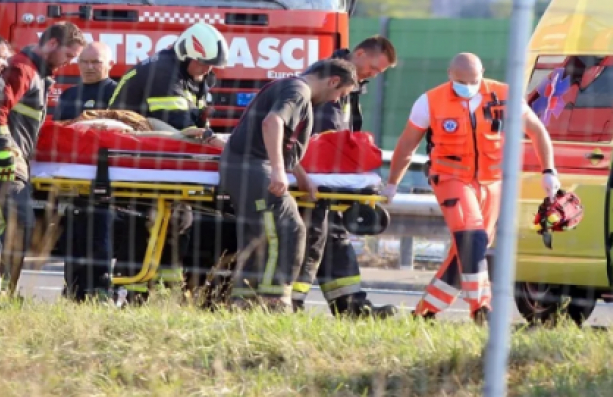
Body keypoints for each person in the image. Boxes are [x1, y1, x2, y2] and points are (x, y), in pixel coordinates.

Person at [385, 53, 560, 324]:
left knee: (466, 253)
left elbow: (537, 131)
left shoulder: (504, 95)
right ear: (449, 75)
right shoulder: (430, 101)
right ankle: (481, 308)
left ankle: (424, 313)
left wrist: (548, 170)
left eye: (474, 80)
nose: (467, 86)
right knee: (472, 239)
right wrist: (393, 183)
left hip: (492, 182)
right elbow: (406, 146)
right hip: (451, 178)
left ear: (483, 73)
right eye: (461, 81)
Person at [219, 58, 358, 311]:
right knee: (288, 229)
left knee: (259, 236)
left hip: (246, 168)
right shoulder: (298, 91)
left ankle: (243, 303)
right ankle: (274, 301)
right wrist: (278, 170)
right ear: (333, 81)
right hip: (253, 169)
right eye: (340, 93)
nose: (336, 99)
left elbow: (283, 140)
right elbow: (272, 123)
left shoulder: (290, 87)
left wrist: (300, 174)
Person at [108, 22, 229, 298]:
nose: (207, 70)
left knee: (179, 219)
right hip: (132, 158)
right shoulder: (163, 72)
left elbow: (194, 123)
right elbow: (178, 127)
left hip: (157, 161)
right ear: (186, 54)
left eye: (211, 65)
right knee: (143, 222)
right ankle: (133, 295)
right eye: (203, 63)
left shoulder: (193, 76)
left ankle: (164, 291)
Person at [292, 35, 399, 318]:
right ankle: (291, 305)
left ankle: (352, 307)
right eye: (373, 68)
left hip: (324, 175)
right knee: (313, 237)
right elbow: (327, 133)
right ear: (360, 54)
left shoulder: (349, 83)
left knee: (334, 238)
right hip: (313, 175)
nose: (373, 76)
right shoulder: (331, 78)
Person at [0, 22, 86, 293]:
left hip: (15, 156)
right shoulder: (23, 69)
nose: (69, 63)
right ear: (51, 45)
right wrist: (6, 154)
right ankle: (3, 293)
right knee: (20, 223)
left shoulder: (38, 73)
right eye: (69, 55)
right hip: (9, 160)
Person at [54, 42, 117, 121]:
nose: (89, 67)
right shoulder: (68, 94)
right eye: (84, 62)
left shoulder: (118, 93)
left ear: (110, 64)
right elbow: (56, 128)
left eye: (96, 62)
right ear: (78, 63)